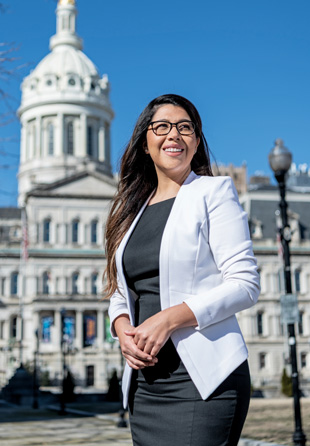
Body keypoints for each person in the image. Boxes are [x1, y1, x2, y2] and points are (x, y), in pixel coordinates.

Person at [104, 94, 260, 446]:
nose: (174, 134)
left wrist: (169, 318)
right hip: (146, 385)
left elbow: (245, 284)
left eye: (185, 127)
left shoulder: (213, 192)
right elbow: (121, 289)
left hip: (204, 379)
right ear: (145, 142)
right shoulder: (131, 212)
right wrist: (121, 325)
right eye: (162, 127)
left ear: (196, 141)